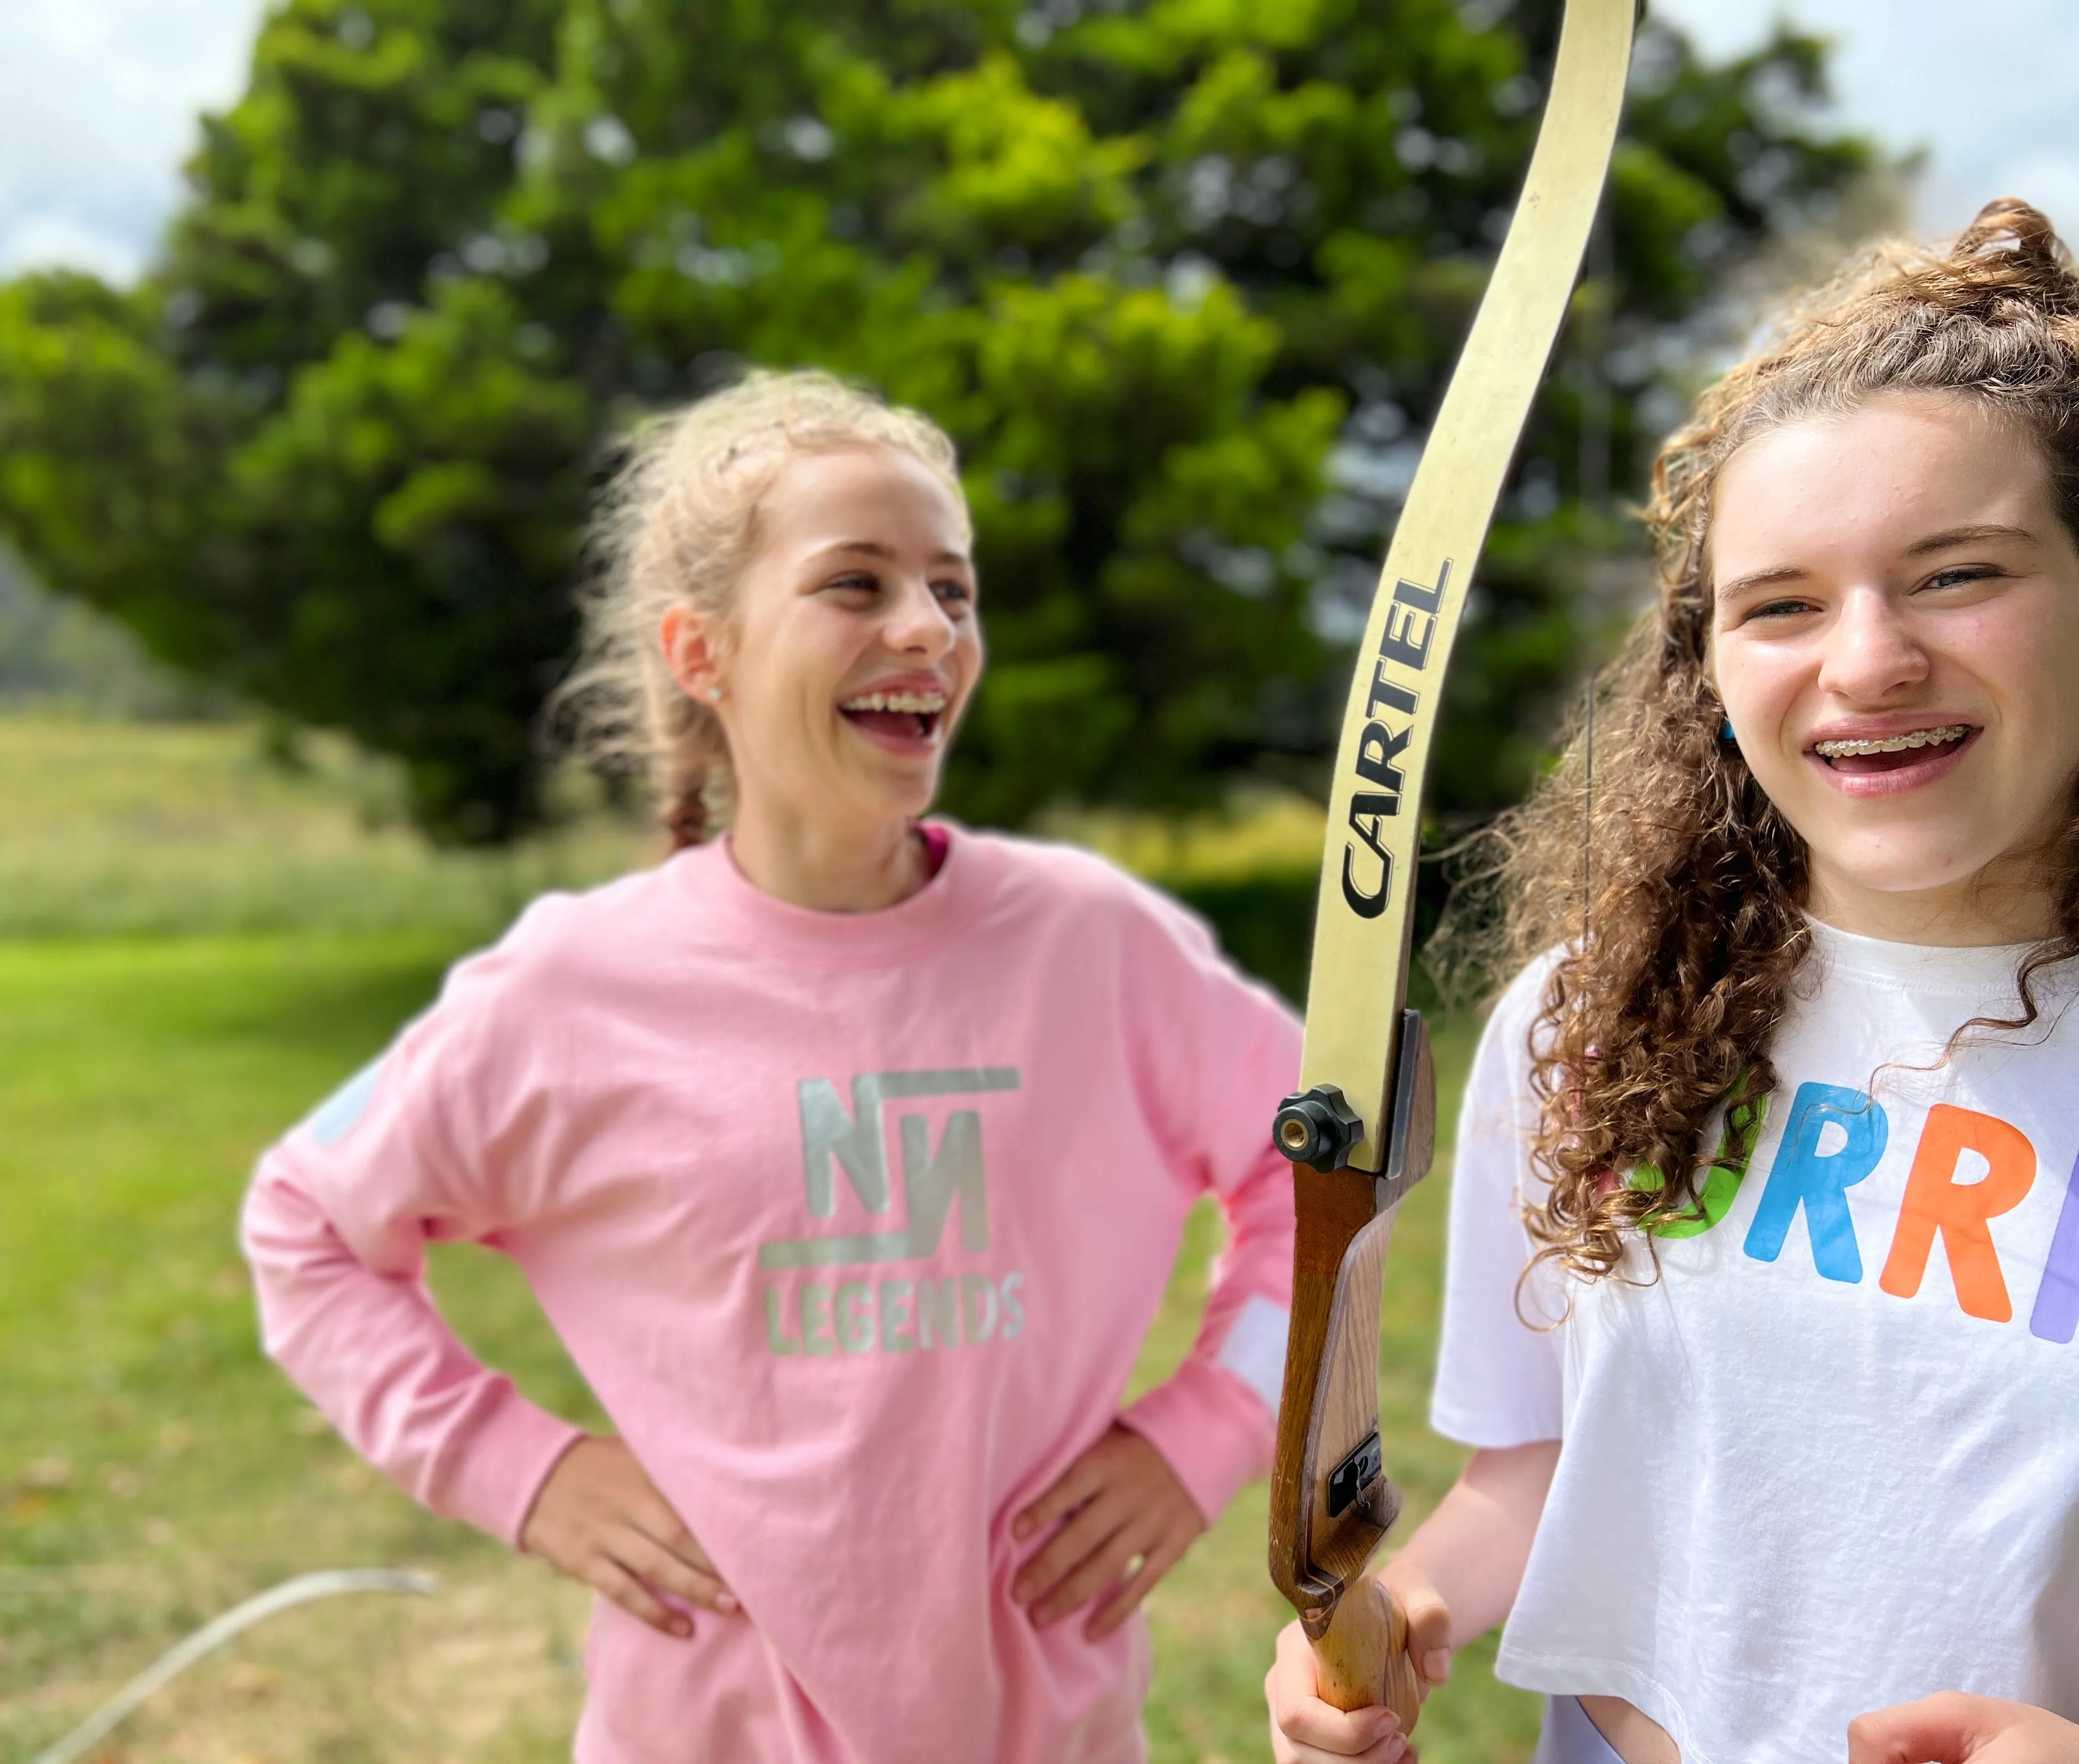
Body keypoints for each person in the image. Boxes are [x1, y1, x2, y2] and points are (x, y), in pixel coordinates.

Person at [241, 371, 1301, 1761]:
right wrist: (521, 1468)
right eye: (855, 585)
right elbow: (305, 1222)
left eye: (953, 589)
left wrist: (1212, 1424)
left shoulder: (1095, 946)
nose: (926, 627)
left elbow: (1327, 1175)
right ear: (703, 651)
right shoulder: (569, 991)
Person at [1266, 200, 2079, 1764]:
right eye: (1782, 604)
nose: (1867, 660)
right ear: (1714, 663)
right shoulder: (1583, 1023)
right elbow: (1538, 1470)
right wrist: (1397, 1617)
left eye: (1958, 573)